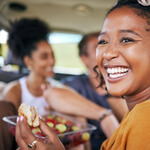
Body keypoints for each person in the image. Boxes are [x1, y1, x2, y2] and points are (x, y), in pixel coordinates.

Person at [16, 0, 150, 149]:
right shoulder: (133, 115)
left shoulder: (145, 117)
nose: (108, 53)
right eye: (103, 41)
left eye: (126, 39)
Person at [61, 32, 127, 149]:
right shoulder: (75, 85)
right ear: (84, 59)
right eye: (99, 46)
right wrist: (104, 115)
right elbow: (52, 93)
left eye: (108, 45)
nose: (107, 52)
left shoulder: (126, 86)